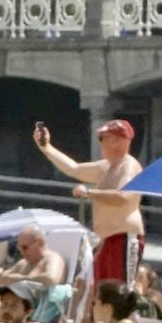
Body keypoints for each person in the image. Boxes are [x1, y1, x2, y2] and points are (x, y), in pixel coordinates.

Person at [34, 119, 143, 289]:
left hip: (124, 239)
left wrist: (89, 193)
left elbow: (123, 197)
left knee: (120, 292)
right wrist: (46, 148)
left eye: (102, 137)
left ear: (116, 140)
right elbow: (74, 169)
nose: (100, 142)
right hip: (105, 241)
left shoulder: (129, 166)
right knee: (102, 293)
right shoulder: (106, 166)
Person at [0, 224, 66, 289]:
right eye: (19, 249)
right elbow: (5, 277)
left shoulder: (52, 258)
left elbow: (51, 278)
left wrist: (21, 279)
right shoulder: (23, 263)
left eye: (25, 247)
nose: (22, 253)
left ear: (40, 242)